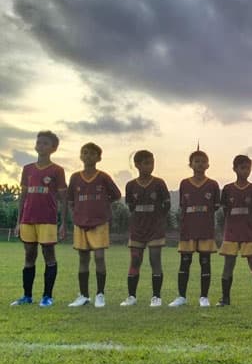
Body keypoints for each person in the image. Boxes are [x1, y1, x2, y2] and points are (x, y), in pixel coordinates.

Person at [11, 130, 67, 307]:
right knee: (29, 255)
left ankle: (47, 297)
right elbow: (23, 196)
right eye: (38, 142)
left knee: (49, 255)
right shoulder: (27, 169)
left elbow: (63, 199)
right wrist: (18, 222)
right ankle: (27, 296)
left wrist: (63, 223)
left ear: (53, 148)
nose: (40, 145)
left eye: (45, 143)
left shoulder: (57, 170)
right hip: (28, 219)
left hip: (48, 220)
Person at [67, 142, 122, 307]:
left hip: (99, 223)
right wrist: (75, 214)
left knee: (99, 257)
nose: (88, 156)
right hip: (80, 223)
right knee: (83, 258)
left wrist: (103, 205)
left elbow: (117, 195)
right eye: (85, 152)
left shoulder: (103, 177)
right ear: (80, 156)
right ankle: (84, 295)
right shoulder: (75, 177)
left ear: (99, 158)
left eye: (92, 153)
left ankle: (100, 294)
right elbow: (70, 200)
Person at [169, 148, 220, 307]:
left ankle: (204, 297)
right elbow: (183, 206)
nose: (200, 164)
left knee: (205, 262)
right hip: (188, 228)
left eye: (203, 161)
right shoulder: (184, 183)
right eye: (196, 161)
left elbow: (216, 206)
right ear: (190, 164)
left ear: (208, 165)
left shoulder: (213, 184)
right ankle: (181, 297)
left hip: (205, 228)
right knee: (185, 262)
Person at [120, 150, 170, 307]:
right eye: (146, 163)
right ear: (137, 165)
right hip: (137, 229)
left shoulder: (159, 183)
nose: (150, 166)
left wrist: (158, 219)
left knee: (155, 260)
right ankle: (131, 297)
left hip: (155, 229)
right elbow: (131, 207)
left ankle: (156, 297)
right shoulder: (130, 185)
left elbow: (167, 205)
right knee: (135, 260)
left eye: (152, 163)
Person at [217, 155, 252, 307]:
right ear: (235, 169)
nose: (246, 171)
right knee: (228, 265)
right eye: (242, 168)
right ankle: (225, 299)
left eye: (248, 168)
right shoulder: (227, 189)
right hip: (231, 233)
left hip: (249, 234)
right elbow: (224, 211)